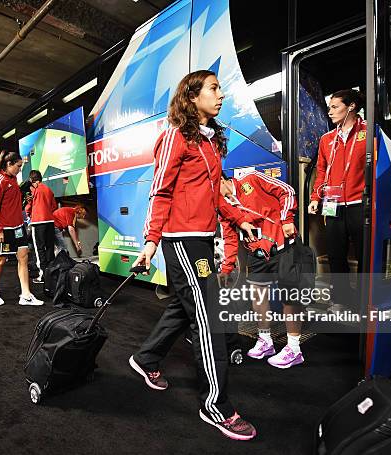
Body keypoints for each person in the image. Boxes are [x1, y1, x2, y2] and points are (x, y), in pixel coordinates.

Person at [129, 70, 258, 441]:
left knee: (184, 307)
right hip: (181, 240)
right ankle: (215, 405)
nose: (221, 95)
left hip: (202, 239)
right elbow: (161, 191)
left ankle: (146, 358)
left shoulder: (210, 143)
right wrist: (152, 241)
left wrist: (240, 220)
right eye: (214, 89)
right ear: (192, 97)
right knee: (208, 317)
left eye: (220, 89)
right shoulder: (174, 137)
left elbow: (215, 194)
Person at [218, 172, 305, 368]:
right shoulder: (223, 207)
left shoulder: (251, 179)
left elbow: (287, 191)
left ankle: (294, 348)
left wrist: (287, 219)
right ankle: (265, 341)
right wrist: (227, 267)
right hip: (256, 253)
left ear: (221, 180)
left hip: (284, 246)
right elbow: (230, 239)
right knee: (258, 298)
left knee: (289, 298)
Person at [308, 89, 366, 309]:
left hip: (358, 204)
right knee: (335, 255)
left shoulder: (368, 132)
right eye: (329, 107)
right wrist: (316, 197)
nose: (329, 112)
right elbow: (321, 171)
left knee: (363, 255)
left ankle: (363, 300)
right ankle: (341, 299)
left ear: (350, 107)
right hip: (332, 204)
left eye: (334, 107)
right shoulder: (327, 139)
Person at [0, 151, 44, 306]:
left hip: (19, 226)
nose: (20, 169)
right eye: (18, 166)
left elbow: (13, 204)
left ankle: (25, 295)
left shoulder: (13, 179)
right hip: (4, 229)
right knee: (0, 260)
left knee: (23, 257)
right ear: (9, 164)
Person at [25, 170, 58, 283]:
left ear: (31, 180)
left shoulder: (35, 191)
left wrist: (29, 206)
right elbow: (54, 206)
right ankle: (52, 273)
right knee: (49, 248)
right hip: (50, 222)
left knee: (40, 249)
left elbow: (29, 208)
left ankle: (43, 275)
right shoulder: (49, 190)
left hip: (38, 223)